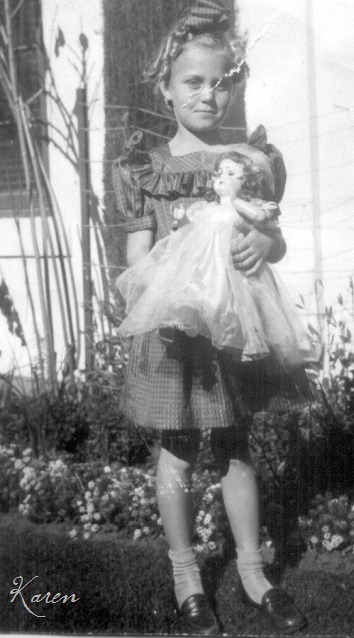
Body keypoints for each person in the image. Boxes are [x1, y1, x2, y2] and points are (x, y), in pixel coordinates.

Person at [112, 0, 309, 633]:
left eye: (221, 82)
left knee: (234, 447)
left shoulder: (248, 161)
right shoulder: (148, 167)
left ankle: (252, 570)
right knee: (177, 450)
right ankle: (186, 576)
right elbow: (138, 257)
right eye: (193, 82)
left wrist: (264, 246)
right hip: (175, 331)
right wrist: (161, 284)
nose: (208, 94)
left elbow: (270, 236)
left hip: (234, 334)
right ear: (165, 90)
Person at [116, 151, 311, 374]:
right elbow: (143, 250)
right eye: (219, 173)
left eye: (230, 173)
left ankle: (228, 333)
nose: (221, 177)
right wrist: (182, 220)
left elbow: (271, 232)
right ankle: (183, 319)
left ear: (245, 180)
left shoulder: (255, 158)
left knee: (224, 301)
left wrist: (268, 241)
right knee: (193, 296)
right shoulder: (153, 168)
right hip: (194, 273)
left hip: (235, 277)